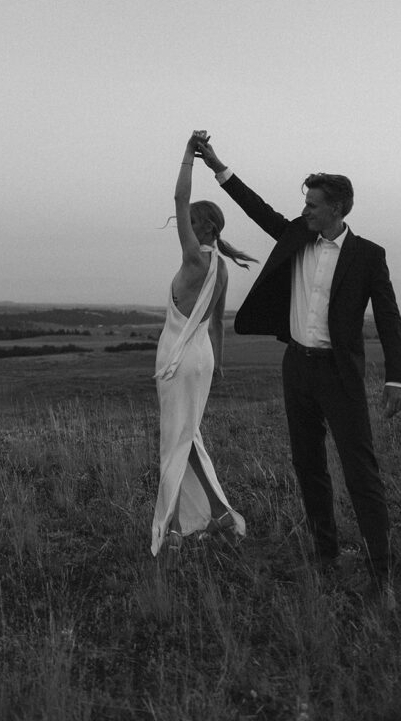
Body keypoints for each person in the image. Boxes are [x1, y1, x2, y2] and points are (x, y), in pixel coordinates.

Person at [195, 138, 401, 595]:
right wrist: (217, 166)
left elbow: (389, 318)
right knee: (307, 464)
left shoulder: (369, 255)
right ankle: (325, 553)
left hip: (340, 374)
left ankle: (381, 567)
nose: (305, 210)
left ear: (337, 209)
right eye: (305, 202)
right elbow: (258, 210)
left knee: (360, 470)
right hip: (297, 368)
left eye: (313, 204)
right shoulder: (296, 234)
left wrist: (396, 377)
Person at [151, 131, 256, 569]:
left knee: (173, 443)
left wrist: (187, 157)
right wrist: (221, 365)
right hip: (203, 361)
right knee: (185, 438)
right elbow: (217, 325)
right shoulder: (222, 269)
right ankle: (219, 517)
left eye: (188, 222)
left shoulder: (196, 260)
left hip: (179, 360)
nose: (181, 225)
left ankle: (173, 530)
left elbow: (179, 197)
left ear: (206, 228)